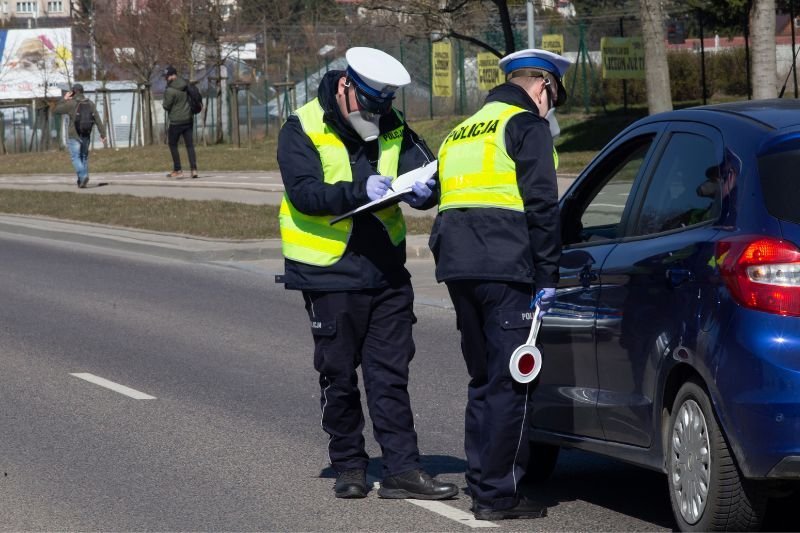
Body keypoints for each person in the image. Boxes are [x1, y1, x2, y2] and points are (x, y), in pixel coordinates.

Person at [276, 46, 456, 501]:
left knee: (389, 375)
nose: (379, 116)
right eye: (372, 105)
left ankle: (402, 469)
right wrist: (359, 190)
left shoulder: (391, 123)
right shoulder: (302, 126)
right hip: (329, 273)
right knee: (338, 375)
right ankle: (350, 465)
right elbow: (304, 194)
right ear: (347, 88)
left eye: (386, 106)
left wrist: (424, 192)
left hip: (385, 271)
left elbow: (426, 171)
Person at [428, 48, 571, 520]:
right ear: (542, 87)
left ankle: (480, 482)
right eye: (552, 98)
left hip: (458, 268)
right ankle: (498, 496)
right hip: (506, 269)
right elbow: (542, 209)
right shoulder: (525, 126)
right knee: (512, 383)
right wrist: (548, 275)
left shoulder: (460, 132)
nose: (550, 109)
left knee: (483, 379)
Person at [53, 83, 106, 188]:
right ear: (82, 92)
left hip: (74, 135)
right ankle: (81, 181)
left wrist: (64, 99)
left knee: (75, 157)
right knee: (84, 157)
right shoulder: (90, 103)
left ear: (73, 92)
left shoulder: (71, 103)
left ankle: (83, 175)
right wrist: (103, 134)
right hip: (86, 134)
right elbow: (98, 120)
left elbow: (56, 110)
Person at [162, 66, 198, 179]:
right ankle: (194, 170)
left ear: (173, 75)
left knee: (172, 144)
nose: (166, 78)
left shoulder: (170, 90)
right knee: (190, 145)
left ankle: (178, 169)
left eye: (167, 76)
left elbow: (166, 106)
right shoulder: (186, 85)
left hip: (176, 122)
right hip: (188, 119)